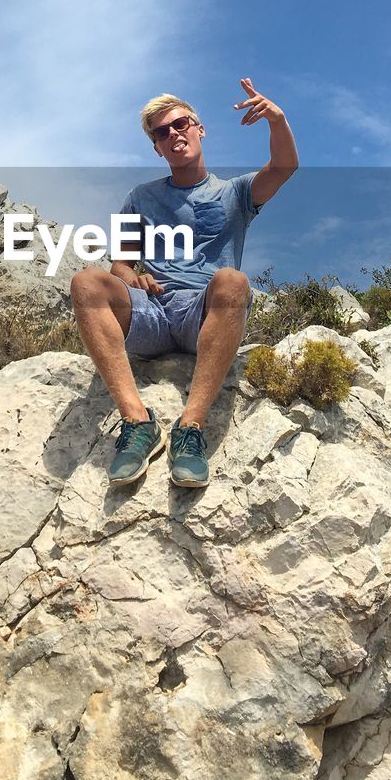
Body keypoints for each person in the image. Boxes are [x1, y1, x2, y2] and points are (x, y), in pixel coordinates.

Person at [70, 78, 298, 489]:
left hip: (202, 315)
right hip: (150, 313)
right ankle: (138, 423)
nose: (173, 133)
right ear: (156, 147)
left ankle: (190, 429)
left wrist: (276, 120)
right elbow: (119, 262)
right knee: (86, 281)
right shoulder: (139, 197)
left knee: (232, 280)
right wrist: (133, 277)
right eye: (161, 132)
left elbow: (284, 168)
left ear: (199, 128)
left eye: (180, 124)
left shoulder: (236, 192)